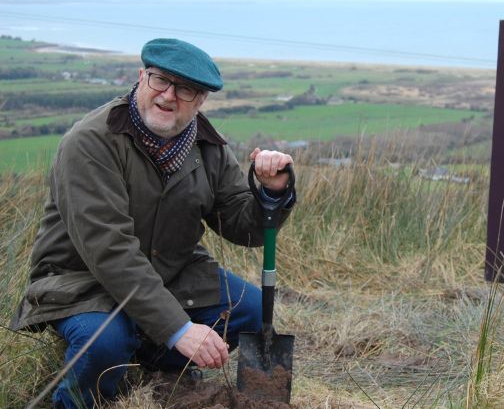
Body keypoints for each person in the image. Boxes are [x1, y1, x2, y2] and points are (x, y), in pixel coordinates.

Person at [10, 38, 295, 408]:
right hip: (83, 281)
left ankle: (151, 361)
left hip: (171, 273)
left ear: (201, 100)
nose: (168, 96)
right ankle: (78, 397)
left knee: (251, 312)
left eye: (186, 89)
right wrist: (178, 329)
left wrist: (272, 193)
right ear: (142, 77)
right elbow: (110, 252)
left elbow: (245, 227)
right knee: (104, 344)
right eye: (160, 80)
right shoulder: (91, 142)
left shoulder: (208, 146)